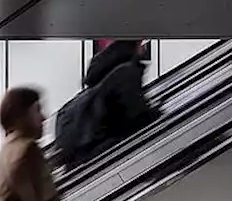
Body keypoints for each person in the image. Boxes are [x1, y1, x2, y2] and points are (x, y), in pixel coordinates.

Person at [55, 40, 159, 168]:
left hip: (84, 153)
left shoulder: (105, 75)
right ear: (135, 47)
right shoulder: (126, 72)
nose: (144, 48)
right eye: (141, 44)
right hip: (100, 150)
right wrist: (158, 117)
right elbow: (135, 114)